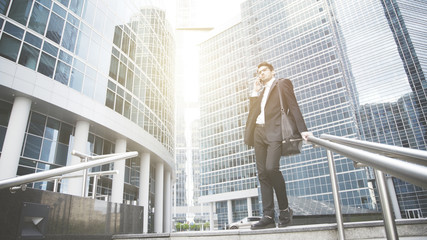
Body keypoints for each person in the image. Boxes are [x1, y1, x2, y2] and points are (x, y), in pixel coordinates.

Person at [244, 62, 312, 230]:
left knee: (271, 168)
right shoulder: (261, 92)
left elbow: (293, 105)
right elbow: (253, 113)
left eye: (264, 70)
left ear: (272, 71)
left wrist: (303, 130)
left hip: (274, 132)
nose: (261, 74)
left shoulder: (282, 83)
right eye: (258, 72)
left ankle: (284, 209)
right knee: (262, 174)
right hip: (258, 133)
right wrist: (255, 91)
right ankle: (268, 216)